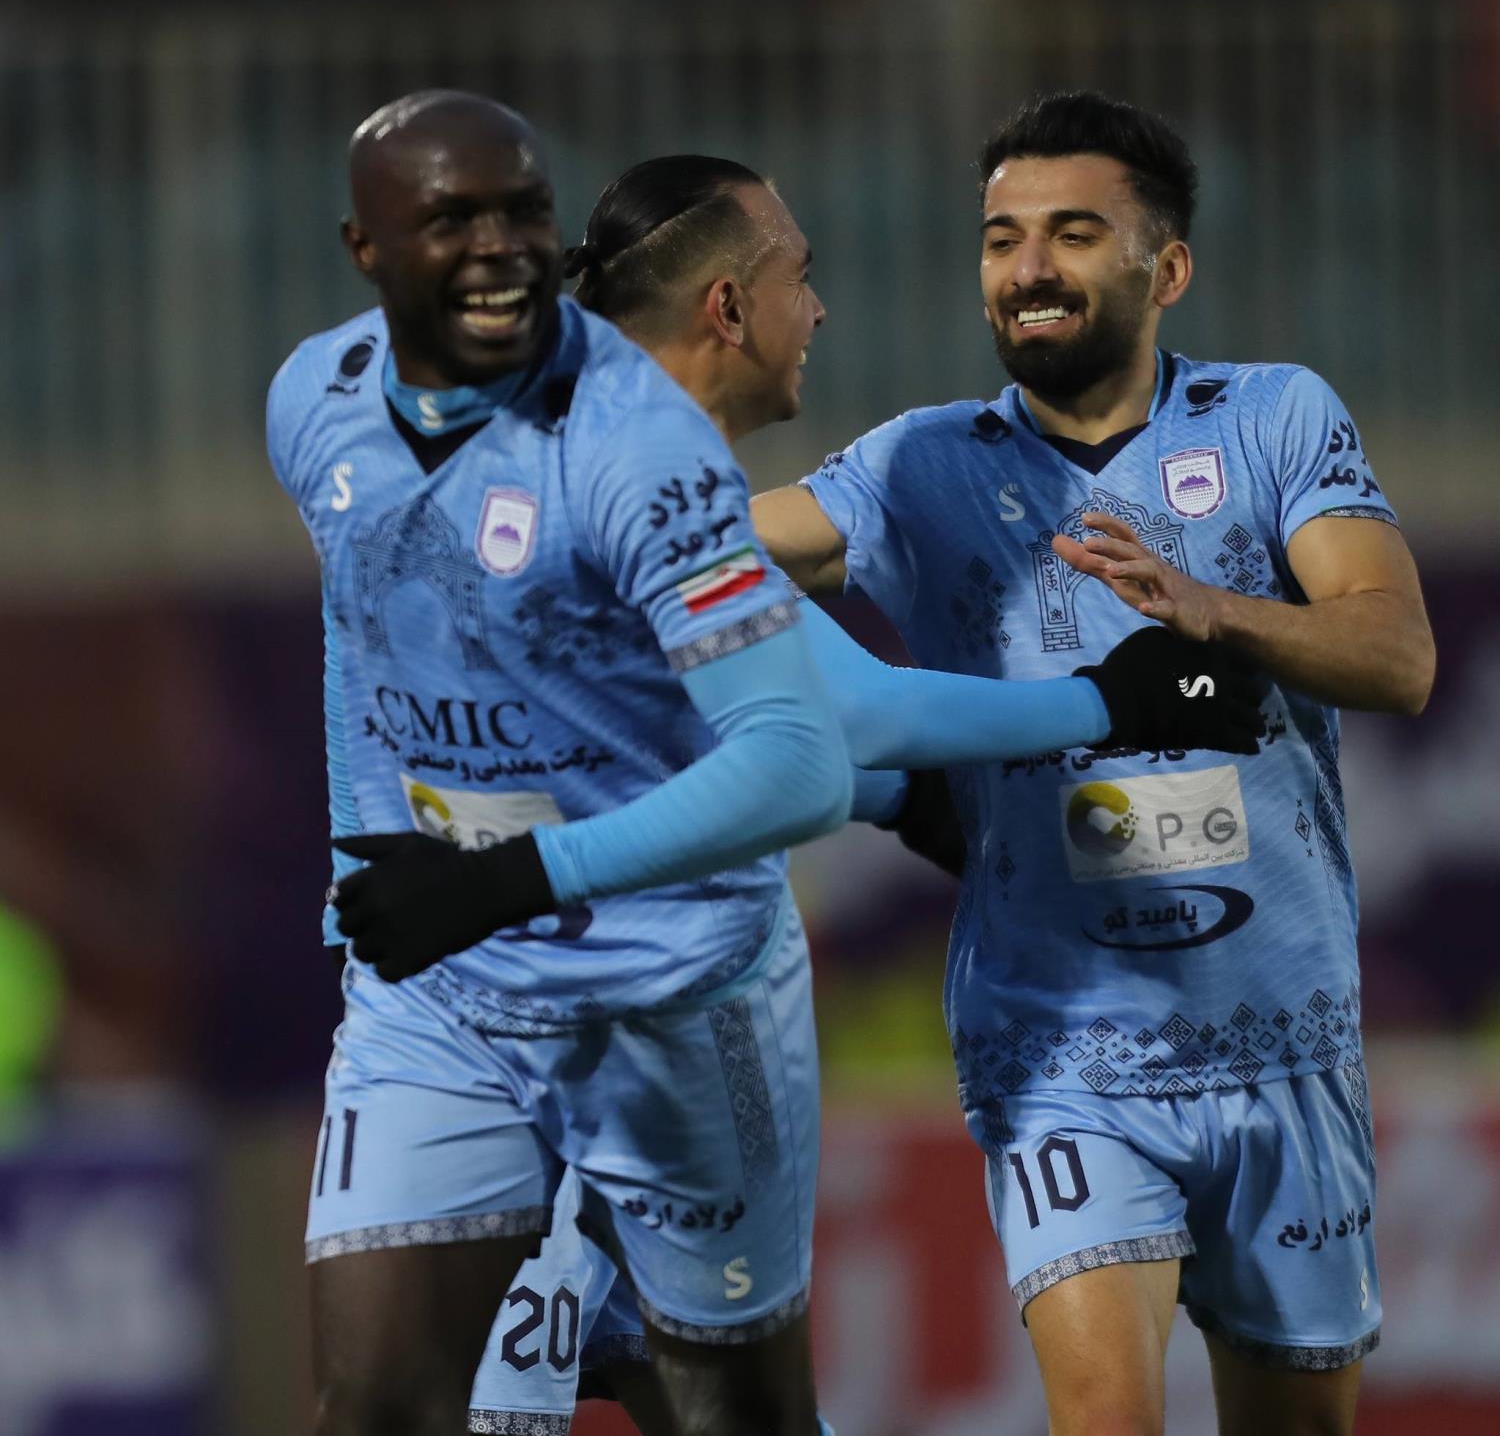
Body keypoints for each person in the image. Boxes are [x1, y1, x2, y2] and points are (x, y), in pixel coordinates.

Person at [327, 150, 1268, 1434]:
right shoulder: (605, 469)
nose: (818, 310)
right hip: (548, 1040)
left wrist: (890, 799)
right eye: (800, 278)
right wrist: (1113, 703)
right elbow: (854, 707)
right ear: (728, 308)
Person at [751, 90, 1435, 1436]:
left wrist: (1215, 609)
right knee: (1106, 1414)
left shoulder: (1272, 419)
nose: (1028, 268)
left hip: (1282, 1034)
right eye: (1001, 238)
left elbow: (1397, 652)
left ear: (1165, 269)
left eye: (1071, 233)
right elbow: (699, 545)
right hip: (1063, 1045)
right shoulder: (921, 464)